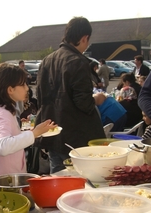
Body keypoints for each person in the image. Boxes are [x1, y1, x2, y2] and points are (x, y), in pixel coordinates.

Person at [36, 17, 106, 173]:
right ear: (84, 38)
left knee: (57, 182)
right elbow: (84, 103)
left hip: (52, 133)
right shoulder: (78, 62)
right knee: (79, 184)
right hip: (76, 136)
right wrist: (97, 99)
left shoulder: (46, 61)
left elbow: (39, 97)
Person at [0, 63, 57, 183]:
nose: (27, 88)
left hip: (1, 178)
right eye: (23, 84)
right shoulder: (3, 113)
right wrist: (33, 133)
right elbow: (2, 146)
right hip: (6, 181)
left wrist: (31, 132)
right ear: (10, 89)